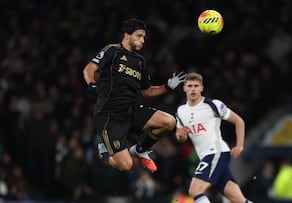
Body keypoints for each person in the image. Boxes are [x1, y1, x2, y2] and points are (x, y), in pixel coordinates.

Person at [83, 18, 186, 173]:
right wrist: (91, 84)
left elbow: (146, 91)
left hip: (131, 110)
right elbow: (89, 69)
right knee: (126, 165)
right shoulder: (112, 50)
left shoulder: (140, 62)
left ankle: (140, 149)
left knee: (169, 122)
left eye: (143, 37)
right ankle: (104, 151)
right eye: (139, 36)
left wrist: (167, 87)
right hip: (110, 115)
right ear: (127, 35)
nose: (142, 40)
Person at [175, 72, 252, 203]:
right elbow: (180, 136)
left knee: (195, 190)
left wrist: (240, 145)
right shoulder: (181, 111)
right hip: (206, 156)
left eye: (196, 86)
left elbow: (239, 121)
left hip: (216, 153)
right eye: (190, 86)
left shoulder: (213, 105)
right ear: (184, 88)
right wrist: (181, 136)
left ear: (201, 88)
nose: (193, 89)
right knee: (239, 200)